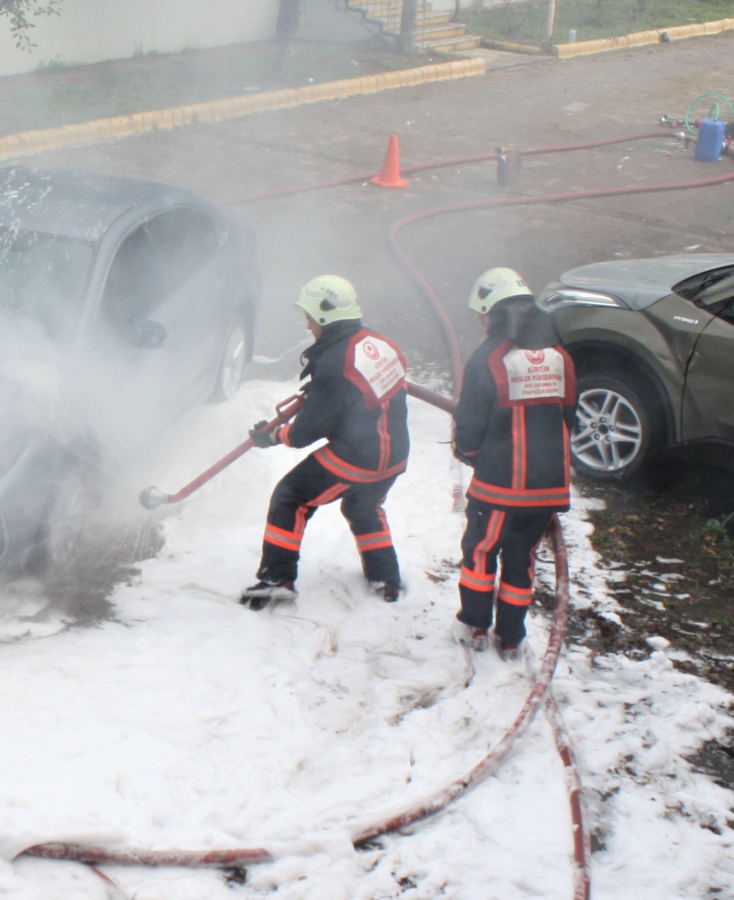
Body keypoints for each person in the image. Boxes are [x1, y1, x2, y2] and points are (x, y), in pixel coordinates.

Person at [241, 275, 410, 610]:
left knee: (291, 497)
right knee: (363, 506)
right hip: (394, 455)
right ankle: (386, 578)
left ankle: (277, 579)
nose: (307, 325)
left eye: (309, 317)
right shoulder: (379, 343)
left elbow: (304, 433)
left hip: (358, 457)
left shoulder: (334, 364)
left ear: (324, 317)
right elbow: (359, 394)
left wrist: (272, 436)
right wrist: (323, 394)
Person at [450, 268, 576, 662]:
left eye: (482, 315)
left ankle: (474, 625)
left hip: (497, 488)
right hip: (545, 490)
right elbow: (568, 416)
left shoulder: (488, 359)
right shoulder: (561, 356)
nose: (481, 323)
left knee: (481, 553)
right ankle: (510, 638)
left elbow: (470, 427)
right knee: (521, 560)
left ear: (495, 312)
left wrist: (472, 455)